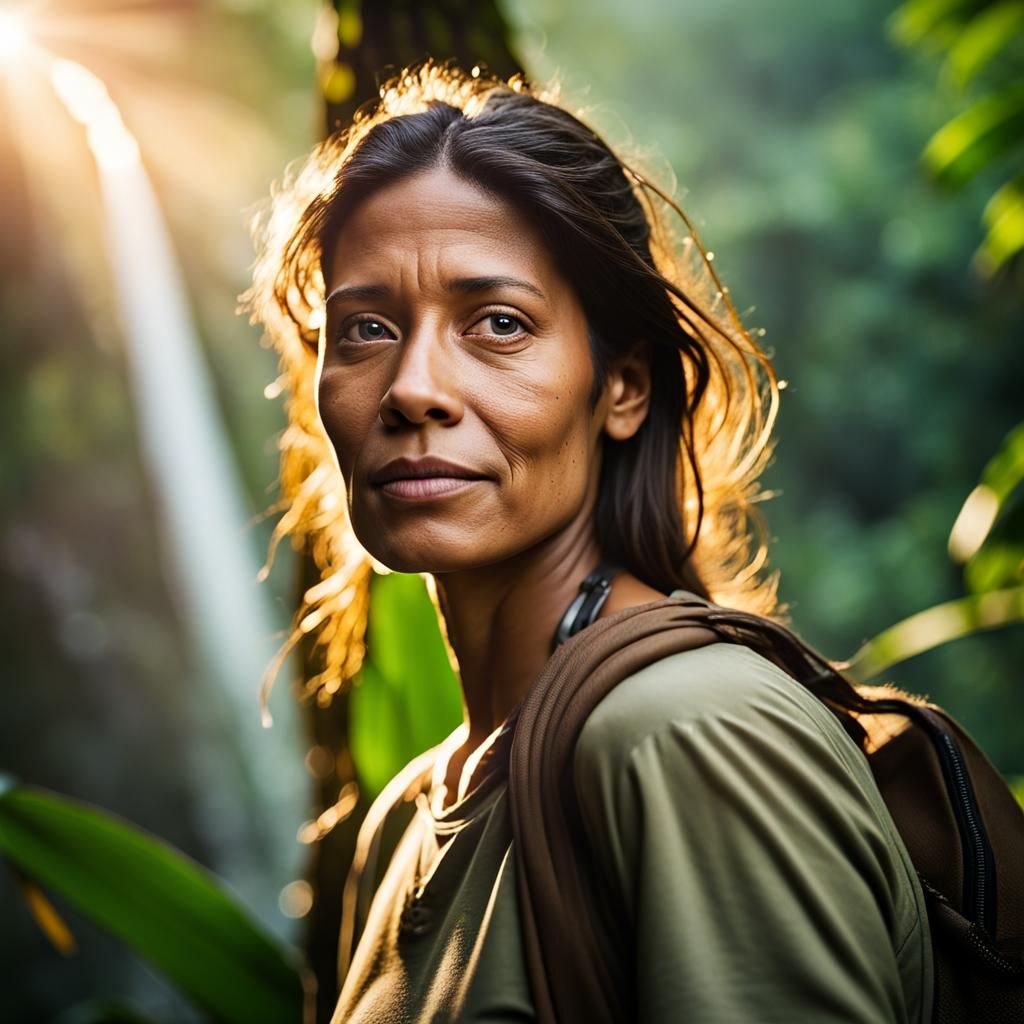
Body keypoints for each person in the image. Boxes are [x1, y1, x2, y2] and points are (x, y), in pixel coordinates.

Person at [243, 60, 933, 1023]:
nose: (412, 388)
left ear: (624, 389)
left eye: (497, 323)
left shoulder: (691, 734)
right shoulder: (403, 823)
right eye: (364, 329)